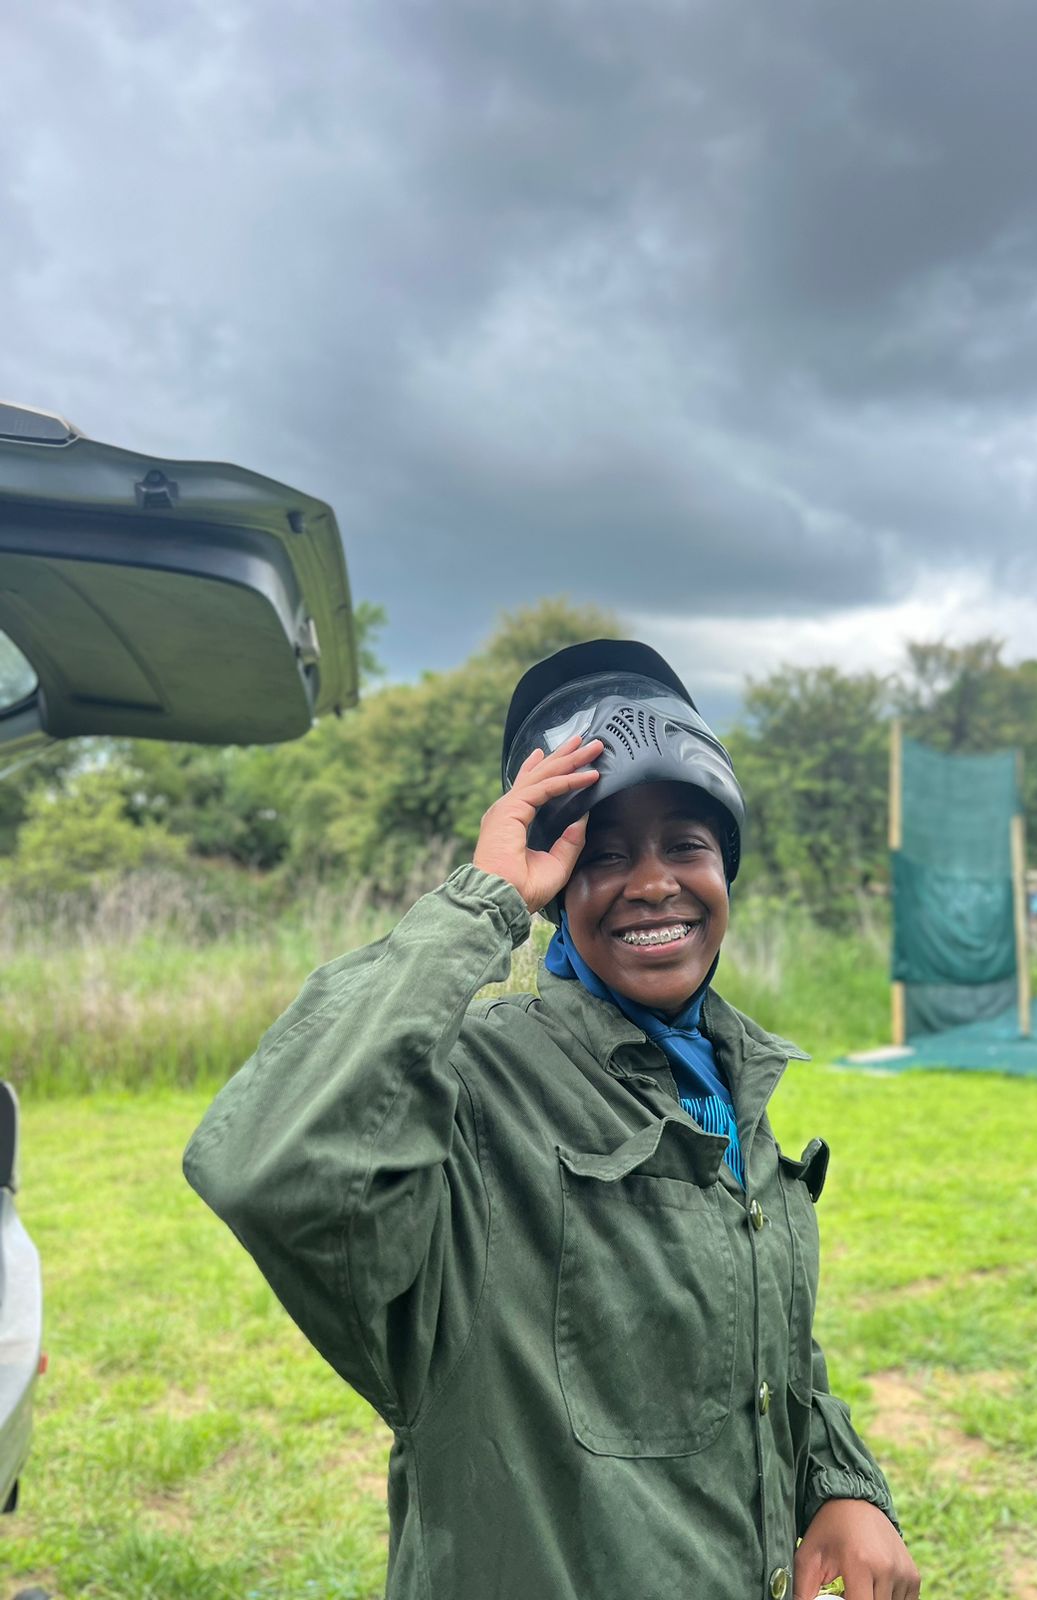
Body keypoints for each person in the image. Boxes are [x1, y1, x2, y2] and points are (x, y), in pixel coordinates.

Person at [184, 639, 920, 1600]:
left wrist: (838, 1485)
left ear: (726, 870)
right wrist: (483, 903)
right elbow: (264, 1168)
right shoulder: (478, 1085)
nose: (652, 881)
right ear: (553, 882)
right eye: (603, 853)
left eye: (686, 845)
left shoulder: (730, 1077)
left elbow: (758, 1346)